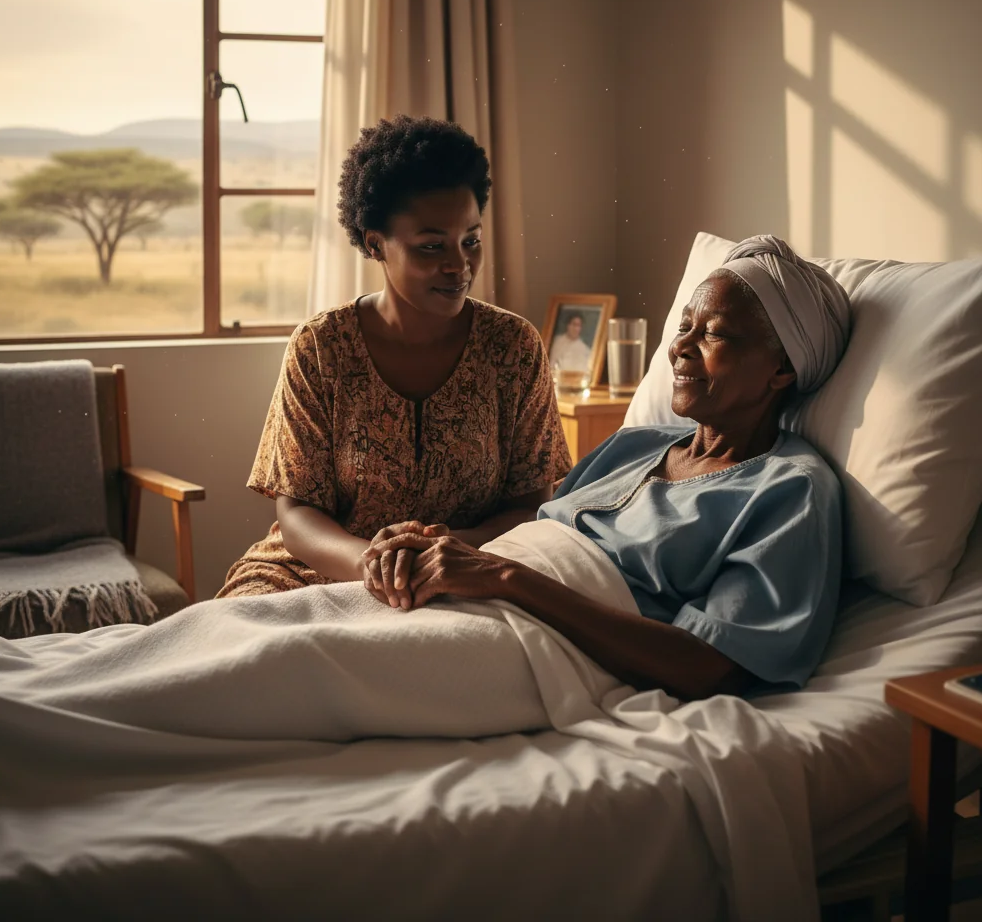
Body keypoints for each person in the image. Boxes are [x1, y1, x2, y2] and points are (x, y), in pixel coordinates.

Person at [362, 235, 853, 700]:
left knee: (301, 669)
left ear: (781, 370)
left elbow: (710, 666)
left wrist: (507, 579)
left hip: (539, 647)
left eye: (715, 334)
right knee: (295, 623)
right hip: (468, 602)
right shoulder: (635, 444)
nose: (680, 347)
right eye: (684, 327)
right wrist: (432, 545)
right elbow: (536, 533)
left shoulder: (791, 490)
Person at [216, 115, 573, 605]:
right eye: (431, 246)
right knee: (247, 650)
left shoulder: (513, 347)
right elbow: (296, 514)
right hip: (316, 570)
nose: (459, 264)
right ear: (374, 243)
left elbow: (530, 505)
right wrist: (373, 562)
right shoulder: (320, 348)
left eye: (471, 240)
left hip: (467, 571)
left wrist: (441, 557)